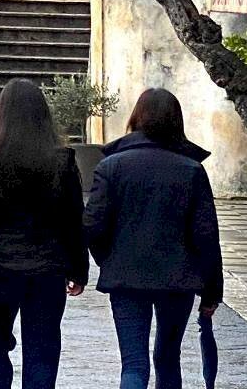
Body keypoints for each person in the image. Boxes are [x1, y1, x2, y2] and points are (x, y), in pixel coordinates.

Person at [85, 87, 223, 389]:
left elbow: (93, 226)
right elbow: (206, 235)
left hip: (126, 276)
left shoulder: (111, 167)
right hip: (179, 278)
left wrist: (110, 259)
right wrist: (212, 291)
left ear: (137, 117)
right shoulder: (191, 170)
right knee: (168, 357)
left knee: (133, 365)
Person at [0, 78, 88, 389]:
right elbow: (73, 220)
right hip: (48, 271)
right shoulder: (61, 161)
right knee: (43, 348)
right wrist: (78, 269)